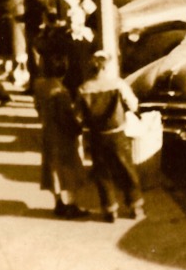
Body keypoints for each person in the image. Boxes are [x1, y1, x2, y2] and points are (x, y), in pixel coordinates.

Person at [76, 51, 144, 223]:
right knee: (127, 170)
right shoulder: (118, 85)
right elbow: (132, 103)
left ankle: (109, 209)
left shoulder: (84, 88)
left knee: (102, 172)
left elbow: (78, 115)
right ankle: (135, 206)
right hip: (117, 133)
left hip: (97, 135)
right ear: (106, 66)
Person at [32, 56, 90, 219]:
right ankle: (72, 205)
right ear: (63, 72)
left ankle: (58, 202)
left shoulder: (39, 85)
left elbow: (37, 106)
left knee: (52, 168)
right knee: (69, 168)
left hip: (47, 130)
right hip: (62, 135)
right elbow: (65, 117)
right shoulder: (61, 92)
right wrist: (78, 127)